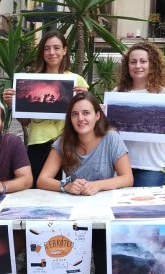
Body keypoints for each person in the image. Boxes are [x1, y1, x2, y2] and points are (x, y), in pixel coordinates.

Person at [37, 92, 133, 274]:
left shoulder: (111, 138)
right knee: (67, 262)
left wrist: (97, 185)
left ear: (97, 116)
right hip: (74, 213)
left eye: (86, 113)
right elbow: (42, 180)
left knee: (104, 260)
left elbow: (127, 178)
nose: (80, 118)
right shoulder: (63, 142)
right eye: (75, 114)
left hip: (104, 211)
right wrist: (66, 186)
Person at [3, 30, 89, 187]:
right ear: (42, 52)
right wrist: (13, 104)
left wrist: (86, 98)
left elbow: (88, 118)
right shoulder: (31, 80)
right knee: (40, 191)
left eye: (56, 48)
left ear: (64, 50)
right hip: (39, 145)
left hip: (71, 145)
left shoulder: (77, 80)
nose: (52, 52)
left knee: (73, 190)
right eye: (47, 48)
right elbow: (25, 121)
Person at [114, 41, 165, 187]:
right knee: (120, 208)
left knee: (143, 208)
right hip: (121, 166)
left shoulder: (163, 94)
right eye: (133, 62)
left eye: (143, 61)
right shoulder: (117, 93)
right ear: (127, 66)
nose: (137, 66)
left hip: (152, 167)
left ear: (152, 64)